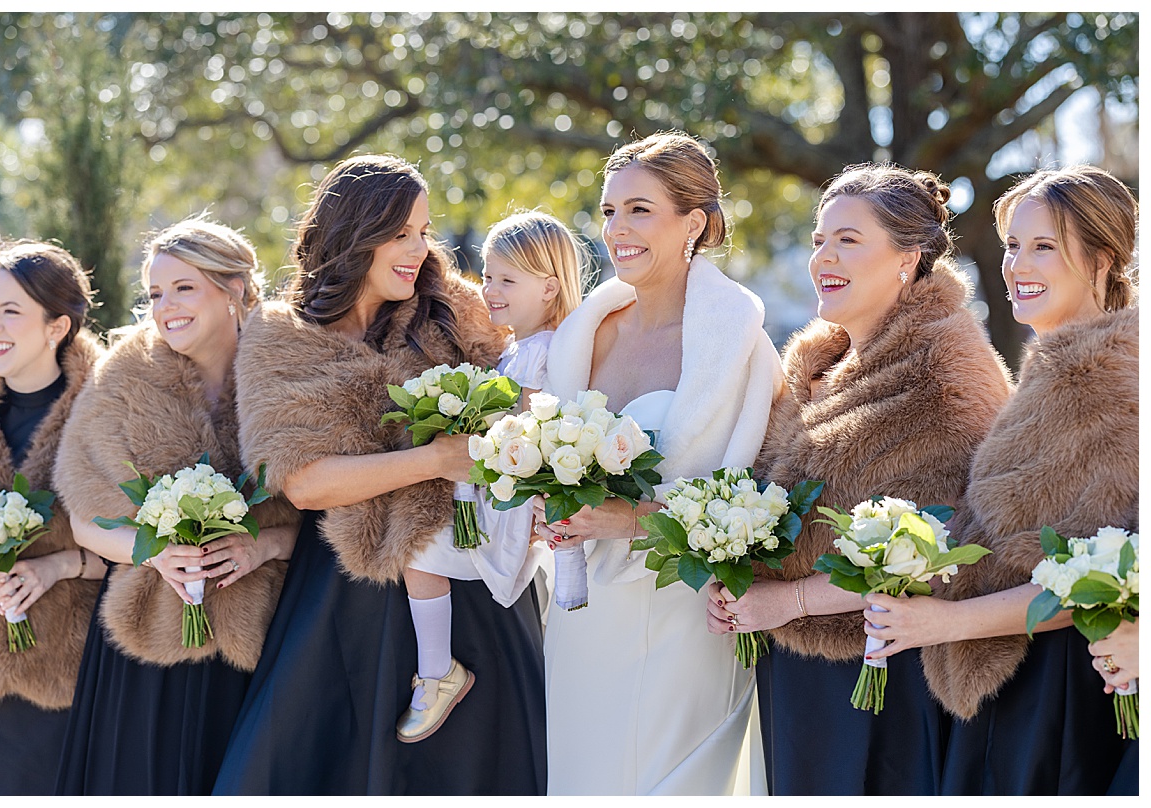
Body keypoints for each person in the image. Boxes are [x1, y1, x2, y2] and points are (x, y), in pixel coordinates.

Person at [211, 155, 547, 795]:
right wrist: (437, 459)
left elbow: (535, 384)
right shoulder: (280, 337)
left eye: (424, 232)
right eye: (401, 235)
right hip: (346, 593)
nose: (419, 250)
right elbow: (303, 482)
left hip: (466, 575)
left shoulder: (459, 310)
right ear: (353, 234)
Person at [706, 163, 1012, 795]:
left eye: (848, 239)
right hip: (789, 667)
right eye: (820, 239)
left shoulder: (949, 375)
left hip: (881, 675)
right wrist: (734, 577)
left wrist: (786, 601)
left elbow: (944, 549)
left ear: (908, 258)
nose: (824, 257)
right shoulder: (815, 362)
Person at [865, 166, 1138, 795]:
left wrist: (937, 624)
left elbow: (1095, 579)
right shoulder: (1049, 374)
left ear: (1103, 259)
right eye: (1014, 245)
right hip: (1011, 682)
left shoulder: (1112, 383)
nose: (1017, 264)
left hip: (1058, 693)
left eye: (1044, 247)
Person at [533, 131, 781, 795]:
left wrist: (625, 519)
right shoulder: (587, 333)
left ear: (693, 223)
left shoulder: (741, 351)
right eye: (610, 211)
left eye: (639, 209)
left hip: (683, 615)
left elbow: (753, 505)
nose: (617, 229)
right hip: (583, 616)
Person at [53, 215, 299, 795]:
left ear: (234, 287)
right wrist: (157, 554)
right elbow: (86, 520)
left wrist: (265, 545)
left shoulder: (291, 363)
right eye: (156, 293)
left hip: (273, 637)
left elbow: (331, 509)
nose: (165, 307)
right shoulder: (123, 379)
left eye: (183, 288)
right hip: (151, 649)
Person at [396, 210, 580, 742]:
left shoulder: (548, 351)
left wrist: (469, 418)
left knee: (418, 549)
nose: (489, 290)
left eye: (507, 280)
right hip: (494, 488)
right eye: (487, 275)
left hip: (512, 496)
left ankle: (437, 671)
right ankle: (436, 670)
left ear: (549, 287)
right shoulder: (518, 349)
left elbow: (529, 419)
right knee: (418, 550)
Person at [0, 241, 107, 795]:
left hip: (74, 674)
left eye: (11, 312)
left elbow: (143, 544)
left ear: (56, 326)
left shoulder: (108, 409)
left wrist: (59, 566)